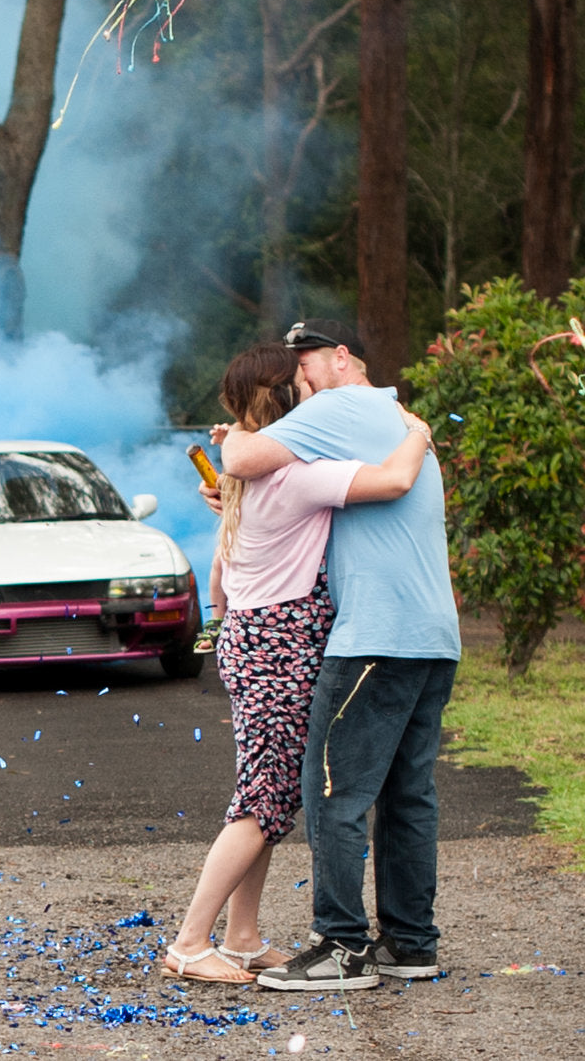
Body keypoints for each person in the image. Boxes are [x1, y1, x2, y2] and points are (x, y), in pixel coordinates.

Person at [204, 319, 461, 994]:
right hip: (435, 634)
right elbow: (278, 496)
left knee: (330, 791)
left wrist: (236, 451)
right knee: (408, 794)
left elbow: (239, 459)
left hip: (375, 637)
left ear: (341, 358)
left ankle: (339, 948)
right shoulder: (390, 415)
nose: (299, 381)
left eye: (306, 363)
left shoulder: (338, 406)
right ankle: (409, 943)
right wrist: (416, 431)